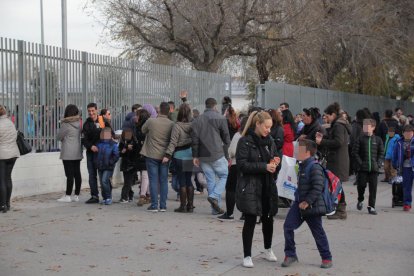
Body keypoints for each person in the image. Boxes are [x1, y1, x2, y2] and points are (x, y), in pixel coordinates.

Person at [236, 111, 280, 268]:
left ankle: (268, 249)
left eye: (270, 127)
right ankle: (247, 255)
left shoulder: (270, 141)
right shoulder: (245, 141)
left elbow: (275, 156)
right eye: (266, 127)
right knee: (250, 220)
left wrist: (276, 161)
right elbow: (242, 165)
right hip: (251, 186)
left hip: (267, 186)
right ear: (258, 124)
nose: (269, 130)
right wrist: (264, 167)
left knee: (269, 219)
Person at [282, 139, 332, 269]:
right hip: (298, 204)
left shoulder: (314, 167)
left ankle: (326, 257)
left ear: (307, 152)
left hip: (312, 206)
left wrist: (307, 201)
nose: (296, 151)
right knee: (288, 227)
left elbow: (318, 187)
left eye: (299, 149)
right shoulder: (301, 165)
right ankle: (290, 254)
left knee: (318, 232)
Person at [191, 98, 231, 215]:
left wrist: (195, 156)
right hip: (217, 153)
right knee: (224, 175)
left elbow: (194, 140)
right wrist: (227, 154)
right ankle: (214, 197)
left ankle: (215, 209)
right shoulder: (220, 118)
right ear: (215, 106)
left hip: (203, 155)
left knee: (210, 180)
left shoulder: (197, 120)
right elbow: (226, 138)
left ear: (206, 105)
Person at [316, 102, 351, 220]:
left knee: (337, 185)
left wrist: (322, 142)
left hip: (338, 160)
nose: (326, 118)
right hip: (338, 159)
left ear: (333, 114)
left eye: (327, 116)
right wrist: (324, 138)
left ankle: (341, 210)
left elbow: (338, 142)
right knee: (336, 185)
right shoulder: (338, 125)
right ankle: (339, 208)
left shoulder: (338, 126)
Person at [141, 102, 174, 212]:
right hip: (165, 156)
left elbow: (143, 130)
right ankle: (163, 206)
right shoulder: (171, 124)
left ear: (159, 110)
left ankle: (154, 205)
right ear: (169, 111)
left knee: (153, 180)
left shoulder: (151, 121)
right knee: (164, 180)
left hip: (151, 154)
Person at [163, 104, 194, 212]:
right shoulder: (192, 125)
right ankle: (190, 205)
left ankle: (183, 206)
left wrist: (167, 155)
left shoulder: (176, 126)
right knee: (189, 180)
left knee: (182, 181)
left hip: (179, 155)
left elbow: (173, 142)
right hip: (190, 154)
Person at [218, 116, 248, 221]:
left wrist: (230, 155)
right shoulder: (253, 136)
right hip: (249, 166)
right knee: (245, 189)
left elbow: (232, 151)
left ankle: (230, 213)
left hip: (236, 164)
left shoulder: (238, 135)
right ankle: (245, 213)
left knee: (231, 189)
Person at [352, 119, 384, 215]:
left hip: (374, 169)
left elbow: (381, 153)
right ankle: (360, 199)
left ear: (373, 127)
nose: (365, 128)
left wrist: (378, 163)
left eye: (368, 126)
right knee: (361, 185)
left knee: (373, 188)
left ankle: (371, 207)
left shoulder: (378, 140)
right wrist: (360, 163)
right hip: (362, 169)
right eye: (364, 126)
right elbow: (354, 152)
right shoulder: (360, 139)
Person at [56, 104, 83, 203]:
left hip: (67, 152)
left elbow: (59, 137)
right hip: (77, 151)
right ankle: (76, 195)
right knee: (77, 173)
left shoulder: (65, 124)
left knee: (69, 175)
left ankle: (67, 195)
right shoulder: (79, 123)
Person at [0, 105, 20, 213]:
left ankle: (2, 205)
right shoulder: (10, 123)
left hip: (2, 155)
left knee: (1, 180)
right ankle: (7, 203)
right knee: (8, 178)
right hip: (13, 154)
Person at [82, 103, 102, 204]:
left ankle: (107, 195)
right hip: (91, 153)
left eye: (93, 111)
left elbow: (108, 133)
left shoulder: (102, 121)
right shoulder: (86, 124)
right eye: (89, 111)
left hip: (102, 152)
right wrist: (91, 146)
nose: (91, 113)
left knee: (103, 174)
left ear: (97, 110)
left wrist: (101, 145)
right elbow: (84, 140)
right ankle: (94, 196)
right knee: (92, 175)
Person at [94, 127, 119, 205]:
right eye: (103, 133)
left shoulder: (113, 144)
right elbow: (96, 155)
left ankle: (108, 197)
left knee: (104, 181)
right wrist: (96, 162)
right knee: (102, 182)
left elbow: (116, 155)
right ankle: (105, 197)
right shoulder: (98, 143)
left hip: (108, 166)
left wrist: (110, 162)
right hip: (100, 166)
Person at [392, 124, 414, 211]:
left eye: (410, 132)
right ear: (403, 133)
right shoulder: (399, 143)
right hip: (405, 167)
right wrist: (395, 164)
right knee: (406, 186)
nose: (408, 134)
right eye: (406, 132)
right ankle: (407, 203)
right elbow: (395, 155)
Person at [134, 109, 151, 206]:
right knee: (144, 174)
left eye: (137, 115)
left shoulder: (144, 127)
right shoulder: (139, 126)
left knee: (144, 174)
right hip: (141, 153)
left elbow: (142, 139)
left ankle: (143, 196)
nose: (135, 117)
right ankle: (147, 194)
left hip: (144, 153)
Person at [119, 128, 139, 203]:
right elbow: (119, 153)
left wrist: (131, 149)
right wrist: (122, 151)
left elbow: (137, 152)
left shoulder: (134, 142)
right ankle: (130, 195)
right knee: (127, 181)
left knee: (127, 181)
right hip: (125, 164)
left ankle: (124, 197)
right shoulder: (122, 142)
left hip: (132, 164)